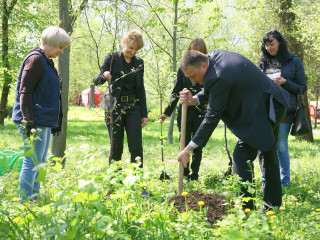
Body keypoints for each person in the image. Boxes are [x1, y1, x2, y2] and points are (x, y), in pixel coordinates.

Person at [177, 50, 290, 210]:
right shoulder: (214, 58)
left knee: (241, 156)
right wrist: (194, 99)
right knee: (268, 153)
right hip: (272, 102)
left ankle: (246, 210)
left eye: (193, 76)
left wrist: (188, 150)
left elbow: (211, 118)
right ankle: (272, 206)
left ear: (203, 65)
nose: (193, 81)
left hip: (266, 109)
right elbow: (213, 88)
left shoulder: (218, 75)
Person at [12, 26, 70, 200]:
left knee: (40, 162)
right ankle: (25, 203)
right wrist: (28, 121)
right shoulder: (36, 59)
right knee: (32, 162)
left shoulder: (46, 61)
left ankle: (34, 198)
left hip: (43, 119)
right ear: (50, 43)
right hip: (33, 120)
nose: (61, 51)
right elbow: (25, 91)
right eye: (60, 47)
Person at [258, 30, 307, 187]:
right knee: (265, 145)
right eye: (266, 45)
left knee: (280, 146)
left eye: (271, 44)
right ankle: (266, 180)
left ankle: (284, 182)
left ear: (280, 43)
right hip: (266, 109)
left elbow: (302, 88)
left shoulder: (293, 61)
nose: (269, 48)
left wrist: (285, 82)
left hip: (286, 110)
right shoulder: (263, 62)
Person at [93, 30, 147, 167]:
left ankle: (138, 182)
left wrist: (144, 113)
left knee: (136, 146)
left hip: (133, 107)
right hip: (114, 107)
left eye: (136, 49)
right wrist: (104, 75)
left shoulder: (139, 63)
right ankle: (114, 183)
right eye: (131, 48)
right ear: (124, 43)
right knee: (116, 146)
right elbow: (96, 80)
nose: (133, 51)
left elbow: (141, 89)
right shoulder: (112, 58)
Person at [159, 38, 207, 181]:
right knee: (184, 142)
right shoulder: (183, 68)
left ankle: (194, 175)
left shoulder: (207, 69)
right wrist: (167, 112)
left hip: (200, 111)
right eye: (193, 51)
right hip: (185, 112)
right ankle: (184, 174)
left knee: (197, 144)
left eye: (200, 52)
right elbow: (176, 91)